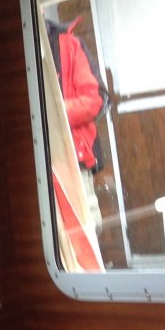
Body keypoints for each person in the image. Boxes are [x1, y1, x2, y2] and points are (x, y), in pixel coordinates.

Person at [46, 15, 108, 224]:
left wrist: (53, 113)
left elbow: (94, 100)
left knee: (87, 226)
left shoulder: (69, 45)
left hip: (73, 159)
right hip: (38, 168)